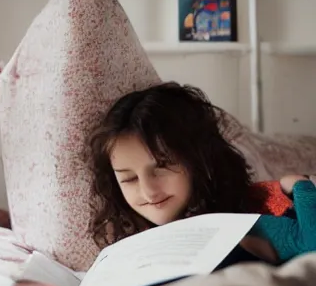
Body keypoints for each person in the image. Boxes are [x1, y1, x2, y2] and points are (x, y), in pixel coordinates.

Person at [87, 81, 316, 265]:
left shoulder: (245, 222)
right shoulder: (131, 243)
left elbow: (310, 248)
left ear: (199, 161)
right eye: (129, 178)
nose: (148, 192)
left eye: (162, 166)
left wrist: (301, 186)